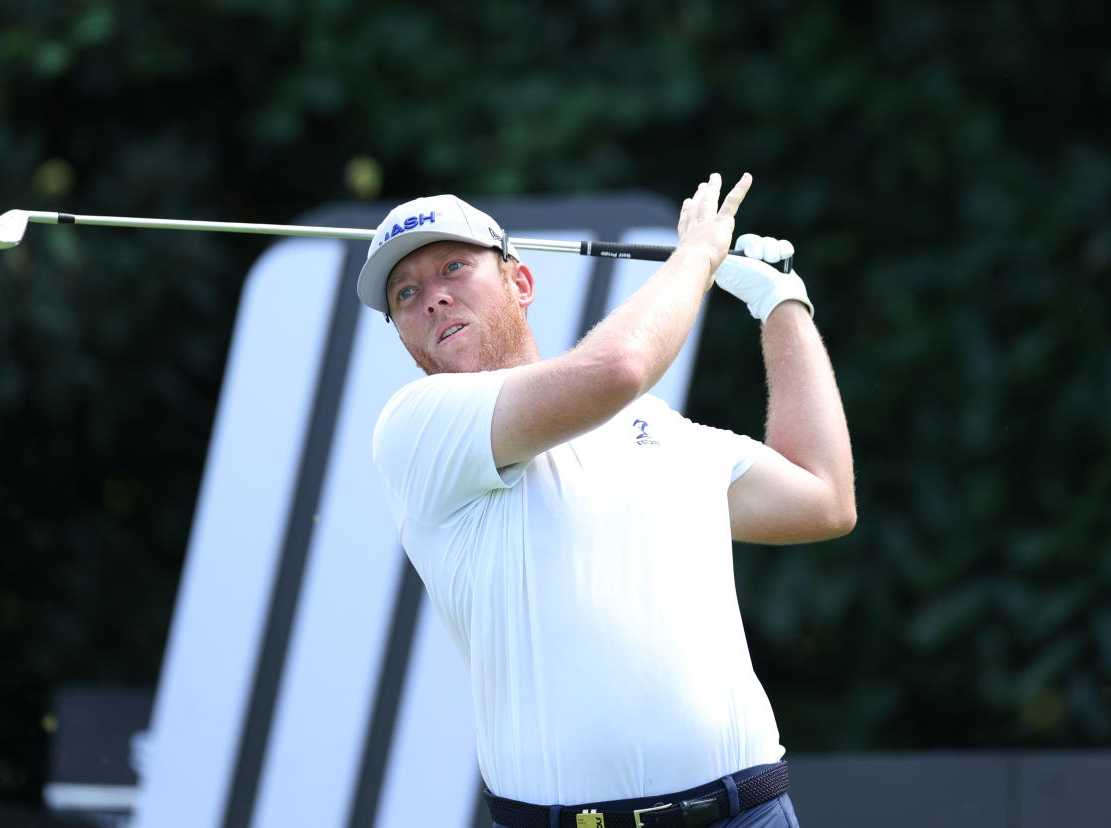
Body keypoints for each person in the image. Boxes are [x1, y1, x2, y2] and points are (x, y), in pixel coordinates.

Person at [356, 173, 855, 828]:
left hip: (748, 813)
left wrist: (783, 303)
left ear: (521, 283)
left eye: (455, 266)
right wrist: (697, 257)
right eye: (406, 294)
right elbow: (618, 368)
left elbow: (823, 498)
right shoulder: (416, 429)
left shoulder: (665, 432)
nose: (434, 298)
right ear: (401, 336)